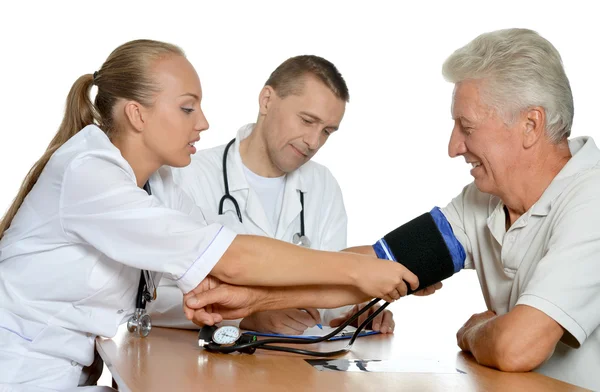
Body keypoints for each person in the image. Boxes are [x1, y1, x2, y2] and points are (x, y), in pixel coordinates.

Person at [185, 29, 600, 391]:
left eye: (467, 127)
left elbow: (516, 347)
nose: (453, 146)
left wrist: (475, 332)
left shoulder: (592, 200)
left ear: (530, 125)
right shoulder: (484, 201)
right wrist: (249, 300)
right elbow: (373, 267)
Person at [0, 39, 420, 390]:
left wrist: (381, 266)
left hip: (67, 376)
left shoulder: (159, 184)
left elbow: (223, 275)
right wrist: (359, 271)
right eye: (187, 108)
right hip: (21, 375)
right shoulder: (89, 172)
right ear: (136, 113)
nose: (202, 122)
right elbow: (232, 258)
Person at [149, 55, 394, 335]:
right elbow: (151, 296)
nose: (314, 142)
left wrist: (354, 313)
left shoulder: (323, 185)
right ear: (266, 100)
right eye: (306, 120)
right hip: (207, 366)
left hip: (296, 368)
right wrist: (245, 317)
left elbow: (328, 292)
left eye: (326, 131)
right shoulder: (186, 175)